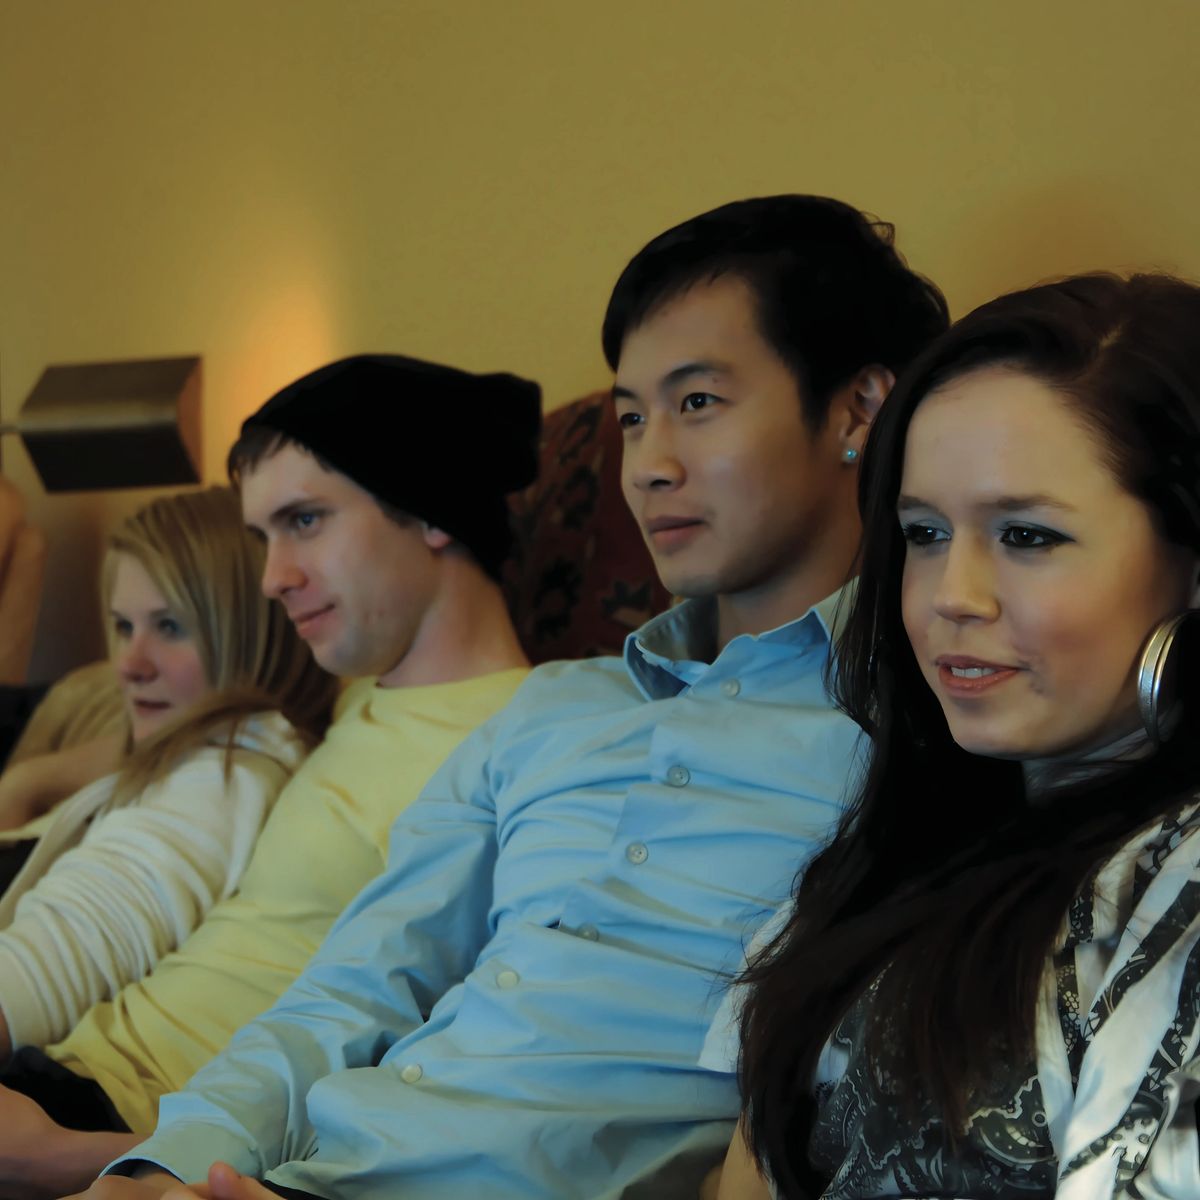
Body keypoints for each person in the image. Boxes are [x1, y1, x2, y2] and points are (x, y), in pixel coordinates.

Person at [63, 194, 949, 1200]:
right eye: (631, 418)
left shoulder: (926, 734)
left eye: (699, 403)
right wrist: (161, 1163)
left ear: (857, 409)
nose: (648, 467)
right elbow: (351, 989)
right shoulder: (553, 708)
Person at [0, 355, 539, 1193]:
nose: (272, 578)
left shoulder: (533, 735)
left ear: (432, 509)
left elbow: (462, 1068)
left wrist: (72, 1155)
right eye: (263, 538)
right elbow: (174, 740)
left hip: (135, 1130)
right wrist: (30, 782)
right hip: (61, 1071)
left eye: (305, 521)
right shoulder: (346, 691)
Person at [722, 272, 1200, 1200]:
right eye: (924, 533)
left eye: (1027, 536)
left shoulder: (1177, 875)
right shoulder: (891, 851)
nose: (951, 597)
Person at [0, 486, 335, 1072]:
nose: (130, 664)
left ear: (250, 632)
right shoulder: (193, 748)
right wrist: (26, 783)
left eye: (172, 626)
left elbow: (41, 969)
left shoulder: (219, 783)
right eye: (123, 626)